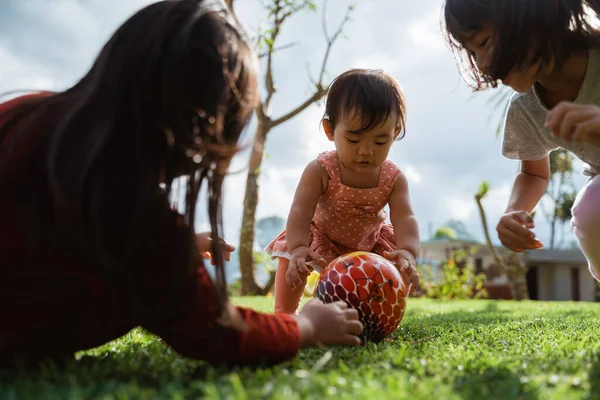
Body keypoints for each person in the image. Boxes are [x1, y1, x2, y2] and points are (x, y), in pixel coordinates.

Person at [0, 0, 364, 368]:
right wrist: (305, 325)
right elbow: (216, 327)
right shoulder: (144, 223)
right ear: (204, 131)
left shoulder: (25, 115)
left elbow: (62, 235)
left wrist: (181, 244)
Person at [442, 0, 600, 281]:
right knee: (592, 209)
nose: (482, 63)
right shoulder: (527, 109)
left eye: (484, 42)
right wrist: (515, 211)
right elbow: (532, 172)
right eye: (471, 52)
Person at [265, 69, 421, 314]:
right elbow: (300, 212)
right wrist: (297, 249)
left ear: (396, 132)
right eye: (353, 140)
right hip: (321, 238)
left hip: (369, 244)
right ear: (330, 130)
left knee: (397, 263)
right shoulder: (321, 170)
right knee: (290, 258)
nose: (366, 151)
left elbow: (405, 218)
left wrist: (408, 253)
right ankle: (285, 314)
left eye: (380, 141)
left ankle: (380, 317)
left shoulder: (394, 178)